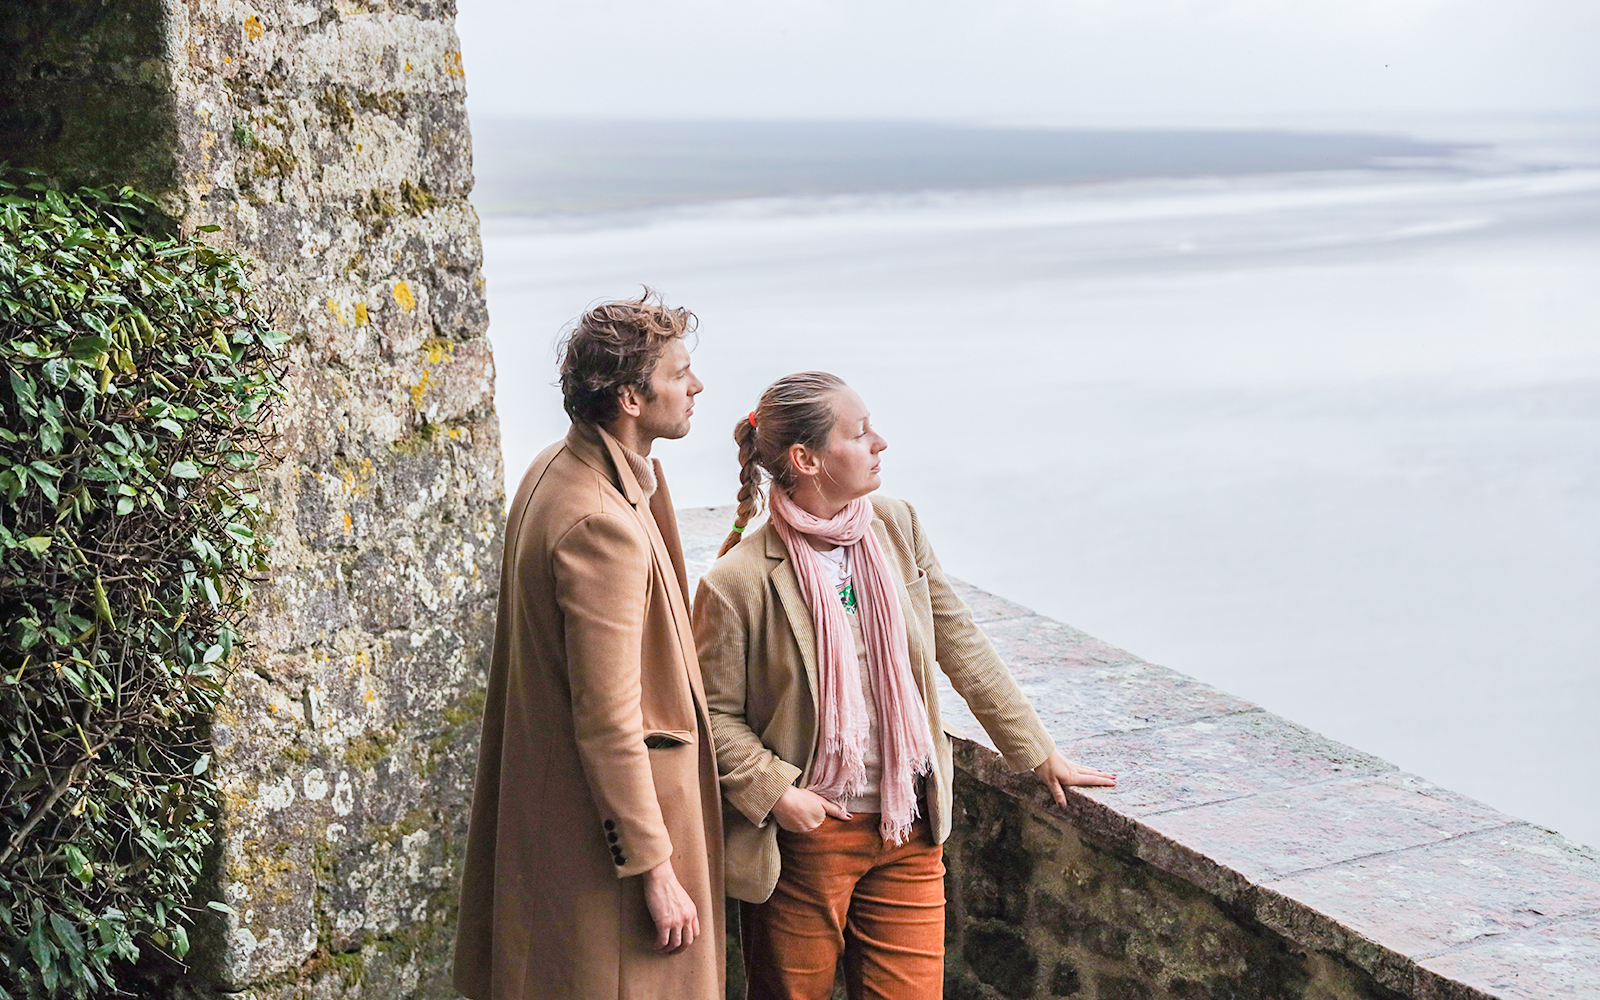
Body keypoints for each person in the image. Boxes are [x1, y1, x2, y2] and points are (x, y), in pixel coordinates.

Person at [693, 372, 1116, 1000]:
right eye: (860, 434)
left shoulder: (897, 526)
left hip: (909, 823)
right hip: (809, 840)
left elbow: (959, 641)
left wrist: (1037, 750)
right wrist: (780, 795)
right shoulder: (737, 580)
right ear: (807, 460)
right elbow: (712, 714)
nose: (881, 443)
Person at [454, 292, 724, 1000]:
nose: (695, 387)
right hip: (606, 855)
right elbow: (607, 716)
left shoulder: (557, 468)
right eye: (680, 374)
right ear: (632, 398)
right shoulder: (600, 524)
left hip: (566, 824)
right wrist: (654, 869)